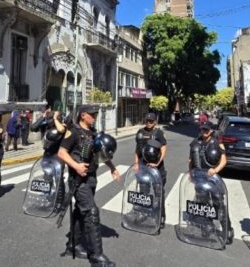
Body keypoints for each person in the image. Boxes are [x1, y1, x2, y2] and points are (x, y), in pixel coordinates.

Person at [55, 105, 120, 267]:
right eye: (92, 115)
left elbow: (100, 153)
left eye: (95, 115)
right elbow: (61, 152)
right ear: (83, 115)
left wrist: (112, 168)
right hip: (78, 179)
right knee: (91, 212)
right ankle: (97, 257)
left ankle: (73, 245)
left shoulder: (93, 132)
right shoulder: (73, 131)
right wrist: (76, 166)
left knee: (80, 212)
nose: (94, 117)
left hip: (91, 178)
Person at [188, 121, 233, 243]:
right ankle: (207, 225)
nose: (204, 132)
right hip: (200, 177)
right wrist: (191, 173)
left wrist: (215, 170)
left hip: (213, 179)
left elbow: (224, 161)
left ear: (211, 131)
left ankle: (227, 229)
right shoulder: (195, 142)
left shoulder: (217, 143)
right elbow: (191, 160)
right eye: (202, 129)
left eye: (206, 130)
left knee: (218, 203)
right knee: (203, 203)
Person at [133, 112, 168, 229]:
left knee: (158, 192)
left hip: (157, 167)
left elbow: (163, 148)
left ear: (155, 122)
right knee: (143, 192)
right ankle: (143, 213)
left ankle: (161, 215)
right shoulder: (140, 132)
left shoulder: (159, 133)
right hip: (143, 167)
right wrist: (136, 163)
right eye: (147, 121)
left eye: (151, 121)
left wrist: (157, 163)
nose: (148, 123)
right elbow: (137, 150)